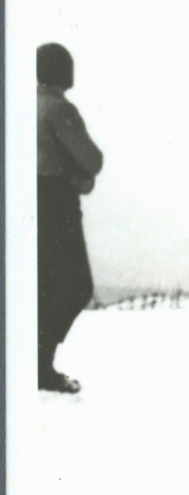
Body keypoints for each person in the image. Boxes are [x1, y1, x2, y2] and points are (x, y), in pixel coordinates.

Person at [37, 43, 103, 393]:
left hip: (30, 203)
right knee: (77, 285)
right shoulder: (60, 110)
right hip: (56, 204)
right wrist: (78, 179)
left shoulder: (25, 106)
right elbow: (92, 160)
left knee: (45, 285)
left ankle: (36, 364)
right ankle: (38, 361)